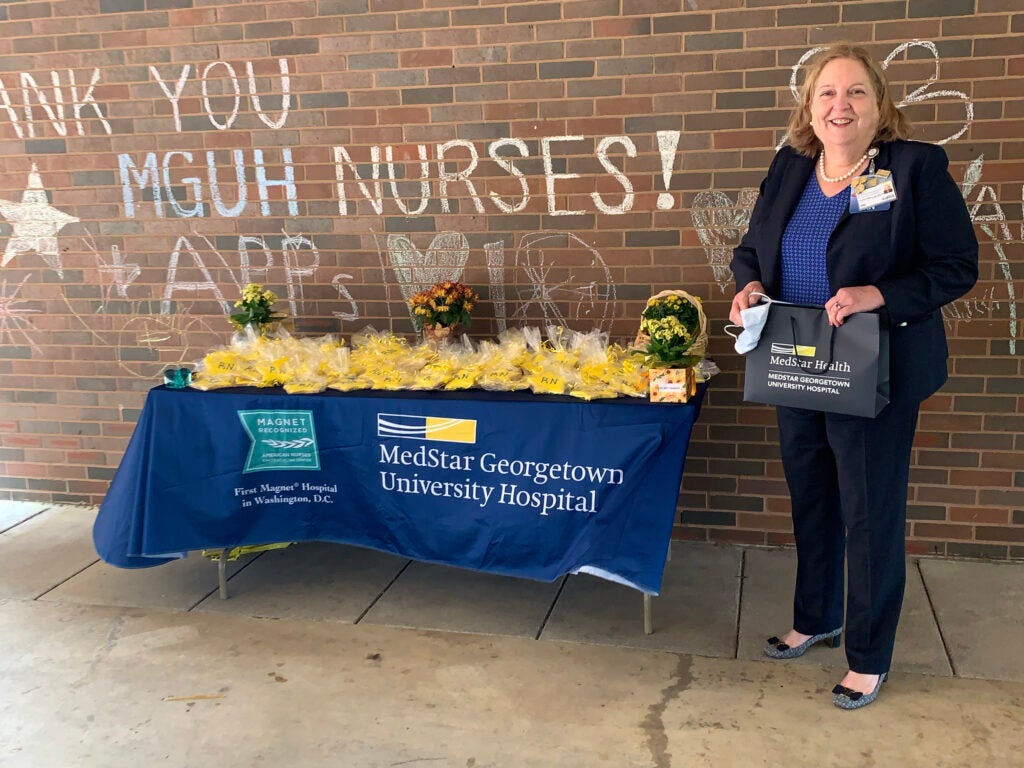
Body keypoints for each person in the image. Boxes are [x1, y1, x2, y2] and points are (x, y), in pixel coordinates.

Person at [729, 43, 978, 710]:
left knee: (869, 509)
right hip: (794, 357)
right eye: (827, 94)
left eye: (856, 93)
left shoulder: (915, 168)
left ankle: (868, 656)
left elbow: (957, 266)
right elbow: (751, 247)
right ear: (808, 109)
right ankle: (816, 616)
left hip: (875, 366)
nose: (841, 105)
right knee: (811, 493)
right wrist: (748, 282)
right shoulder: (790, 167)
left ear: (880, 104)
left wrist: (879, 295)